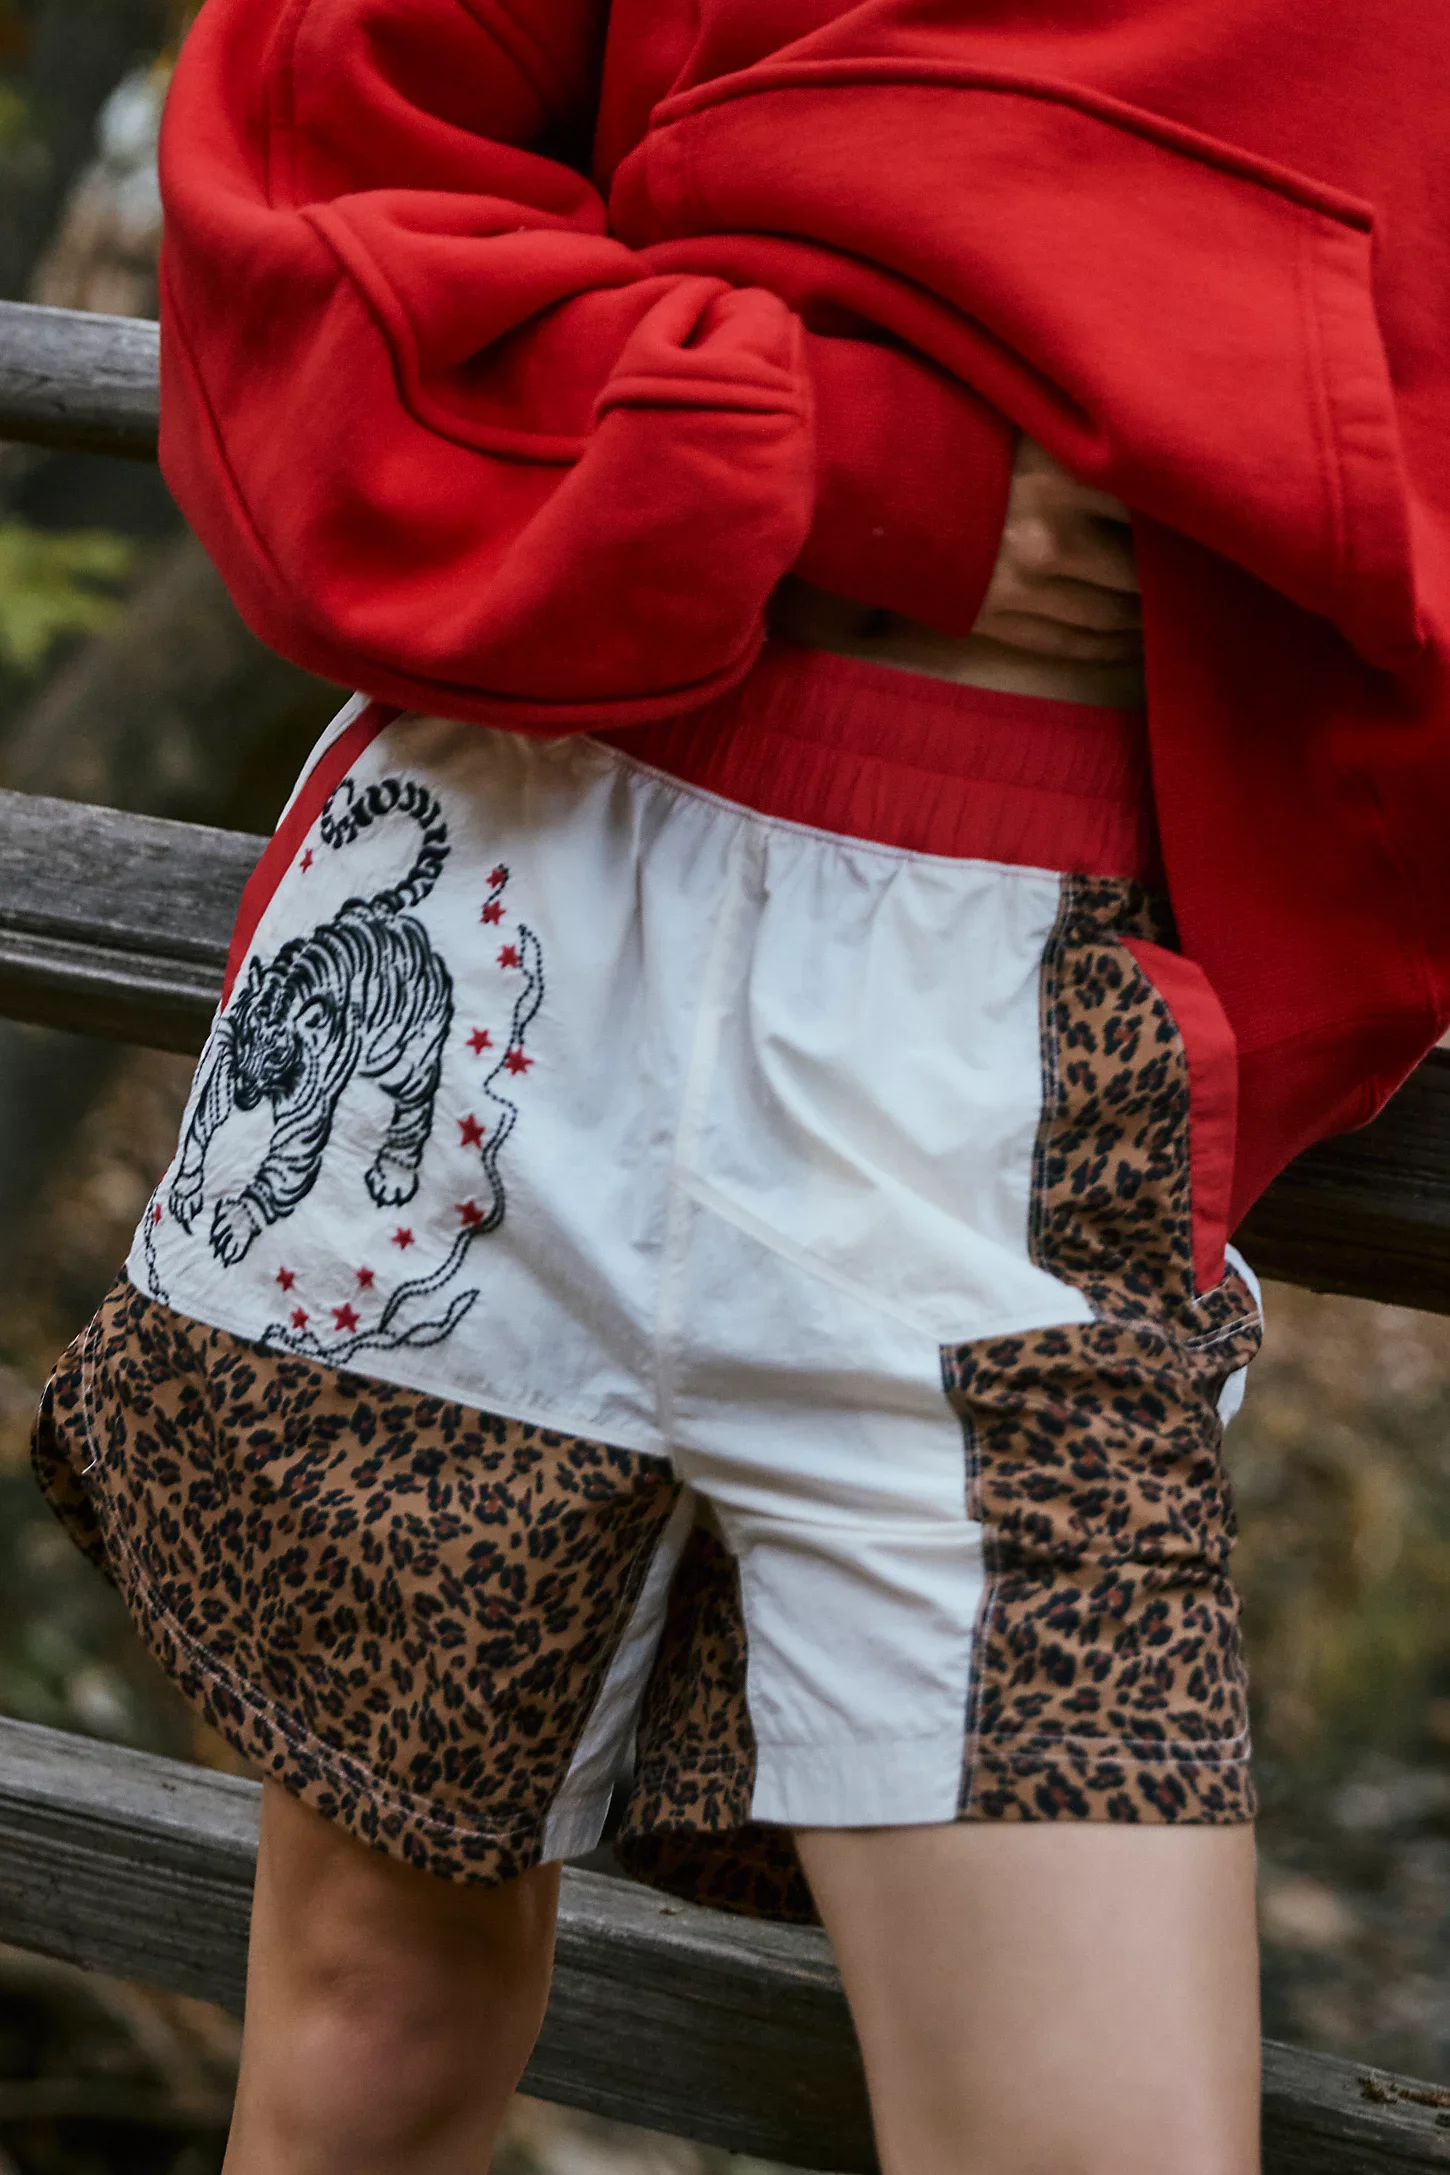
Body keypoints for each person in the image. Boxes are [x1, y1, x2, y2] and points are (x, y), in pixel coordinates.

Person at [32, 3, 1450, 2172]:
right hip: (504, 920)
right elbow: (309, 182)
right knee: (363, 2027)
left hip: (1013, 1038)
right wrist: (866, 471)